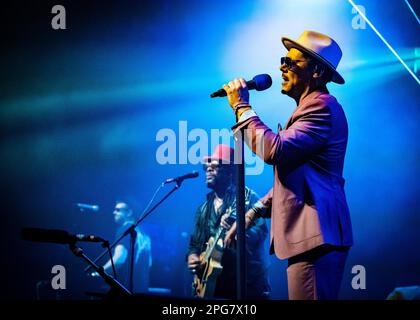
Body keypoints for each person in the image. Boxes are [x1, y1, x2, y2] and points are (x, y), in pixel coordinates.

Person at [222, 31, 353, 300]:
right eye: (283, 60)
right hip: (313, 235)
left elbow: (274, 150)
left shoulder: (321, 108)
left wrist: (243, 107)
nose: (282, 66)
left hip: (317, 235)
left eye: (291, 62)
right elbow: (298, 176)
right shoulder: (308, 108)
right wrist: (254, 212)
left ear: (317, 71)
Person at [187, 144, 271, 299]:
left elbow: (260, 233)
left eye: (215, 166)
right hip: (213, 287)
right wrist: (193, 256)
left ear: (230, 172)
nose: (208, 170)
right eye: (207, 167)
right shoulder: (203, 209)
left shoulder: (246, 198)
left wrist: (238, 231)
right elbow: (195, 243)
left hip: (244, 286)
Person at [92, 200, 152, 294]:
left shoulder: (126, 228)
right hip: (141, 289)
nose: (114, 212)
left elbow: (120, 258)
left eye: (118, 210)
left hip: (123, 288)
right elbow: (149, 263)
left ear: (129, 212)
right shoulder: (144, 234)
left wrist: (97, 274)